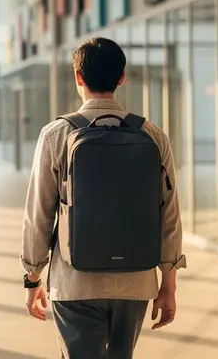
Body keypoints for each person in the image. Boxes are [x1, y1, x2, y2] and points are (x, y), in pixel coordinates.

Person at [19, 37, 186, 359]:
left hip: (74, 281)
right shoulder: (152, 134)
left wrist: (32, 277)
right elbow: (169, 215)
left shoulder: (56, 134)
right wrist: (168, 284)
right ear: (122, 77)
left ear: (78, 77)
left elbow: (39, 213)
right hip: (135, 282)